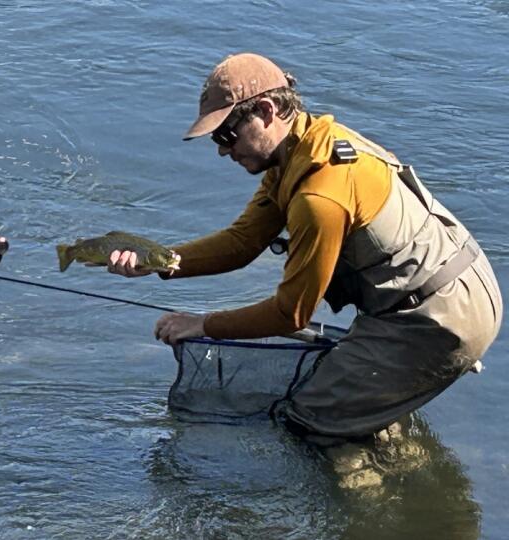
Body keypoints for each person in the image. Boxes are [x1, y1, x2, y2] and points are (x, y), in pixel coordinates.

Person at [108, 53, 502, 443]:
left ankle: (373, 481)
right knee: (344, 399)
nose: (222, 151)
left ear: (265, 111)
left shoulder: (319, 198)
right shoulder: (303, 148)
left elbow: (290, 313)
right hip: (460, 280)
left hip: (437, 315)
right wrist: (160, 261)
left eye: (227, 135)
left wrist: (201, 325)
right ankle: (382, 429)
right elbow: (243, 242)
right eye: (216, 139)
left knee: (309, 421)